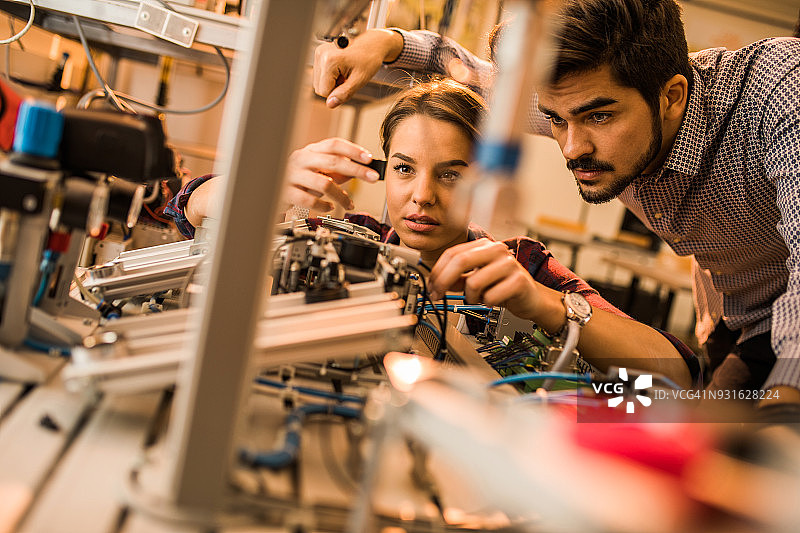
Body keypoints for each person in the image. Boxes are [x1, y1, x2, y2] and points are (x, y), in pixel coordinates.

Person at [311, 0, 800, 408]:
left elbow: (676, 371)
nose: (571, 148)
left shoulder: (778, 93)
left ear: (671, 96)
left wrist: (785, 402)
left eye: (599, 117)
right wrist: (390, 43)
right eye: (555, 120)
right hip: (742, 312)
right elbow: (466, 74)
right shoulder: (584, 103)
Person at [166, 79, 698, 387]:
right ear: (381, 170)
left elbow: (676, 374)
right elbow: (185, 208)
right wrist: (263, 184)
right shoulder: (345, 237)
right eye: (403, 169)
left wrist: (546, 305)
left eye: (450, 174)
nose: (422, 195)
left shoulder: (519, 264)